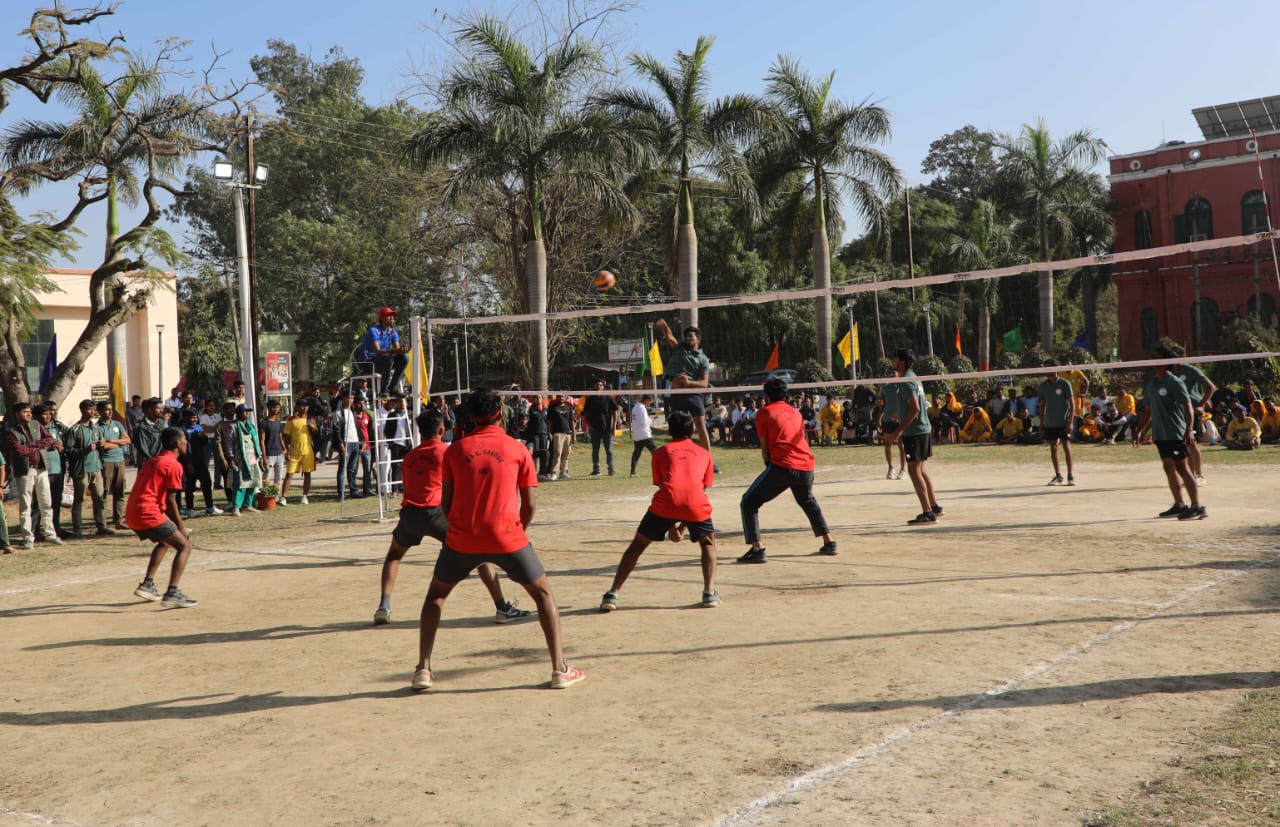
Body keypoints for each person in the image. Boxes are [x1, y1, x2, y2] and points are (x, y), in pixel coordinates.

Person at [410, 387, 584, 691]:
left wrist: (459, 529)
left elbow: (445, 504)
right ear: (499, 413)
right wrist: (518, 533)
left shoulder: (455, 450)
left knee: (436, 596)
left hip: (462, 538)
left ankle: (423, 669)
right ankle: (559, 669)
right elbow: (529, 505)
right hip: (508, 537)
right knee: (543, 595)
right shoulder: (518, 450)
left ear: (471, 414)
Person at [373, 408, 532, 625]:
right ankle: (502, 607)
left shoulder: (410, 456)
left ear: (419, 432)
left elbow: (410, 488)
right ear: (441, 429)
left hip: (410, 513)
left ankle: (384, 605)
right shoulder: (447, 452)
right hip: (437, 513)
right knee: (479, 554)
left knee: (394, 556)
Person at [600, 410, 720, 611]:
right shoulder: (705, 454)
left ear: (670, 431)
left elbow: (665, 487)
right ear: (692, 430)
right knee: (707, 543)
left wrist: (673, 526)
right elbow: (699, 489)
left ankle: (612, 594)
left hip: (665, 504)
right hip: (696, 504)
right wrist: (680, 527)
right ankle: (709, 592)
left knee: (637, 546)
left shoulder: (661, 452)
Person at [736, 378, 837, 563]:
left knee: (749, 502)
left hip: (784, 465)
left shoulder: (764, 413)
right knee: (808, 501)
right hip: (806, 465)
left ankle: (757, 549)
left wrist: (769, 464)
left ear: (766, 396)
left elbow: (765, 447)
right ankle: (829, 541)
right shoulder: (796, 413)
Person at [128, 427, 198, 608]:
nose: (186, 443)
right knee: (184, 545)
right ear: (177, 443)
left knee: (166, 541)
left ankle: (148, 585)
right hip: (147, 513)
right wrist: (181, 527)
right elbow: (171, 500)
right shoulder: (173, 464)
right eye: (184, 440)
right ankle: (172, 592)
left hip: (134, 512)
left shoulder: (153, 461)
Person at [1133, 346, 1205, 520]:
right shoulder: (1152, 384)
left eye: (1158, 358)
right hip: (1161, 434)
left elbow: (1188, 407)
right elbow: (1149, 411)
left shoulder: (1175, 382)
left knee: (1182, 467)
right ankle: (1179, 504)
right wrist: (1140, 430)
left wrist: (1189, 430)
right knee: (1168, 467)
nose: (1155, 361)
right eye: (1153, 357)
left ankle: (1197, 506)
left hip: (1175, 432)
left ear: (1167, 362)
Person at [882, 349, 942, 525]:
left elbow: (915, 408)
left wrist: (898, 430)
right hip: (921, 429)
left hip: (915, 432)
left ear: (901, 361)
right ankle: (934, 507)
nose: (891, 362)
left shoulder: (906, 380)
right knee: (921, 470)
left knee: (914, 471)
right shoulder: (913, 376)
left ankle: (927, 512)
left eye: (893, 358)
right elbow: (916, 406)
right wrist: (899, 415)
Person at [653, 319, 716, 469]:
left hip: (693, 395)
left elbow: (704, 383)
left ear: (698, 339)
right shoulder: (678, 348)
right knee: (676, 428)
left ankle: (708, 462)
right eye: (686, 336)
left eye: (691, 336)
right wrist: (663, 325)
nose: (688, 338)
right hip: (676, 394)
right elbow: (669, 336)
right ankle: (677, 461)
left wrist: (689, 383)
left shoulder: (703, 359)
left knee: (701, 427)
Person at [5, 403, 62, 549]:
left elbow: (49, 439)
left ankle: (51, 534)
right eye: (25, 412)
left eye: (30, 411)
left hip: (41, 469)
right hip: (25, 471)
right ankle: (28, 537)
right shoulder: (12, 432)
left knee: (46, 503)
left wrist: (33, 445)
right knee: (26, 505)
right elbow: (20, 451)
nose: (29, 414)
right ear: (17, 414)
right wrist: (39, 445)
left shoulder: (37, 425)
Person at [63, 399, 111, 538]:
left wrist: (102, 445)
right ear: (82, 410)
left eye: (93, 409)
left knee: (99, 498)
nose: (92, 412)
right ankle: (78, 529)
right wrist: (85, 450)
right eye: (89, 409)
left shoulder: (96, 428)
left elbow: (100, 446)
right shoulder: (75, 430)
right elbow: (69, 451)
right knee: (79, 500)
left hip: (96, 468)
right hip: (82, 469)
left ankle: (101, 526)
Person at [1170, 344, 1216, 484]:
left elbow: (1211, 387)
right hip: (1177, 412)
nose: (1171, 359)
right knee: (1181, 443)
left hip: (1192, 409)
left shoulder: (1190, 370)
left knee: (1192, 442)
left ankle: (1199, 475)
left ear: (1181, 357)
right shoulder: (1168, 371)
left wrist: (1201, 404)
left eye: (1174, 356)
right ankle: (1189, 475)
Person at [1038, 360, 1076, 486]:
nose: (1046, 370)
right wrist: (1042, 421)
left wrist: (1070, 422)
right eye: (1045, 368)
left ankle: (1070, 475)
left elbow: (1072, 404)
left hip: (1063, 421)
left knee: (1066, 446)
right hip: (1050, 422)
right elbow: (1042, 405)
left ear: (1056, 369)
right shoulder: (1043, 386)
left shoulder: (1064, 384)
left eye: (1048, 367)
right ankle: (1058, 476)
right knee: (1053, 447)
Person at [33, 402, 68, 540]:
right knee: (39, 502)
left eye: (50, 413)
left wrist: (60, 448)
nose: (49, 416)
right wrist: (47, 446)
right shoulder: (34, 430)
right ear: (36, 416)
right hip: (42, 471)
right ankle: (36, 531)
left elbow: (63, 447)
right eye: (45, 413)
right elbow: (32, 449)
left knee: (56, 501)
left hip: (57, 470)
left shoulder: (56, 427)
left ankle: (55, 528)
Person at [95, 400, 132, 528]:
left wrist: (112, 441)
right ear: (99, 411)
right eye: (106, 409)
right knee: (104, 492)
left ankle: (118, 521)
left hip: (120, 461)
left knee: (119, 491)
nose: (109, 411)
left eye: (110, 409)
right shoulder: (97, 427)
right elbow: (103, 445)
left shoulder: (117, 424)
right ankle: (102, 522)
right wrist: (118, 443)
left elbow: (127, 441)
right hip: (106, 462)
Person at [360, 307, 409, 395]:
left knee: (405, 357)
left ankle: (393, 387)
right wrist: (396, 350)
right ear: (381, 318)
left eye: (392, 316)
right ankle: (383, 389)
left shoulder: (393, 332)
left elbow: (397, 351)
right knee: (388, 359)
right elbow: (378, 351)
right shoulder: (374, 330)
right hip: (368, 363)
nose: (392, 318)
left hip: (384, 361)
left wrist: (402, 350)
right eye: (389, 315)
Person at [335, 397, 373, 499]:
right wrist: (341, 446)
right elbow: (336, 431)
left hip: (355, 442)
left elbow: (356, 427)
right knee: (342, 469)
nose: (351, 399)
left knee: (352, 469)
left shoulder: (352, 412)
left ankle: (354, 490)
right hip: (346, 442)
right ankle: (341, 493)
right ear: (343, 399)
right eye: (350, 397)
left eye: (352, 397)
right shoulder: (339, 413)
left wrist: (362, 441)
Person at [281, 401, 316, 505]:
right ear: (297, 406)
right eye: (301, 406)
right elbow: (286, 437)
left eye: (305, 406)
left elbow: (316, 433)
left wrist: (312, 428)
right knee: (289, 474)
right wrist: (286, 451)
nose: (303, 408)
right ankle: (283, 497)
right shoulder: (291, 420)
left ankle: (305, 496)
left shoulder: (311, 419)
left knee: (307, 474)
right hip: (294, 452)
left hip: (308, 452)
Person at [582, 380, 618, 476]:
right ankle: (596, 469)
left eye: (600, 385)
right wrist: (589, 426)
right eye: (597, 384)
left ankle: (611, 469)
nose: (598, 386)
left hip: (607, 429)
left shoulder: (608, 398)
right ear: (594, 386)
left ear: (603, 387)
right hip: (595, 429)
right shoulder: (590, 399)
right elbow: (586, 414)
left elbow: (615, 413)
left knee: (609, 450)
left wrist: (614, 427)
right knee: (595, 450)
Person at [546, 393, 575, 480]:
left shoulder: (569, 408)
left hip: (567, 433)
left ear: (565, 397)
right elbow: (549, 422)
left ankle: (564, 472)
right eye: (559, 396)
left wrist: (573, 434)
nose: (560, 398)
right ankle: (554, 472)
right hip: (557, 433)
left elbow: (572, 422)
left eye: (562, 396)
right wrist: (549, 433)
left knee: (566, 454)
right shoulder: (553, 408)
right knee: (557, 453)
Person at [258, 400, 286, 489]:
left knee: (279, 478)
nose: (275, 409)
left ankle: (276, 497)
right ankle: (266, 496)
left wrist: (285, 449)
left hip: (279, 453)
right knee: (267, 477)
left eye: (277, 407)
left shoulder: (278, 423)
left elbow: (280, 437)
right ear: (269, 408)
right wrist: (264, 456)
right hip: (269, 455)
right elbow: (262, 440)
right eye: (273, 407)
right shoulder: (264, 423)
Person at [628, 394, 657, 477]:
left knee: (636, 454)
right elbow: (643, 423)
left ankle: (632, 472)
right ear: (646, 400)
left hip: (637, 435)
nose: (649, 404)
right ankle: (660, 470)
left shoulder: (635, 407)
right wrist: (651, 420)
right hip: (645, 435)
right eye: (649, 402)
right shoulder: (642, 408)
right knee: (656, 453)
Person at [132, 397, 165, 466]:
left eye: (162, 408)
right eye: (158, 408)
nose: (161, 411)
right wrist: (152, 461)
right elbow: (143, 449)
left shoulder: (163, 424)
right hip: (149, 464)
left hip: (163, 462)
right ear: (149, 410)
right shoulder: (142, 427)